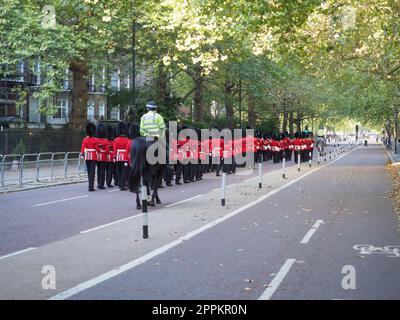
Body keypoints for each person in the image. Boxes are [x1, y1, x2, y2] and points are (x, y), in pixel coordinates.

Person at [80, 122, 99, 192]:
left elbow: (83, 147)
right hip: (93, 156)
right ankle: (91, 186)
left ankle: (89, 185)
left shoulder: (85, 139)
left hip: (87, 156)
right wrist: (99, 151)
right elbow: (97, 149)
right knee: (92, 172)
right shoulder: (95, 140)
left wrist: (82, 154)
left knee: (88, 171)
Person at [113, 122, 130, 191]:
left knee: (119, 171)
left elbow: (115, 150)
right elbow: (128, 150)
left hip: (118, 156)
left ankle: (120, 184)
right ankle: (122, 185)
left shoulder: (115, 140)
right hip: (125, 157)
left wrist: (114, 157)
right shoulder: (127, 140)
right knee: (124, 172)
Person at [95, 123, 108, 190]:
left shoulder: (96, 140)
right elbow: (107, 150)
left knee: (98, 170)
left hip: (97, 157)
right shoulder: (105, 141)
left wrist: (99, 150)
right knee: (103, 171)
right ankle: (101, 184)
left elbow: (96, 148)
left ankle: (98, 183)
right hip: (103, 157)